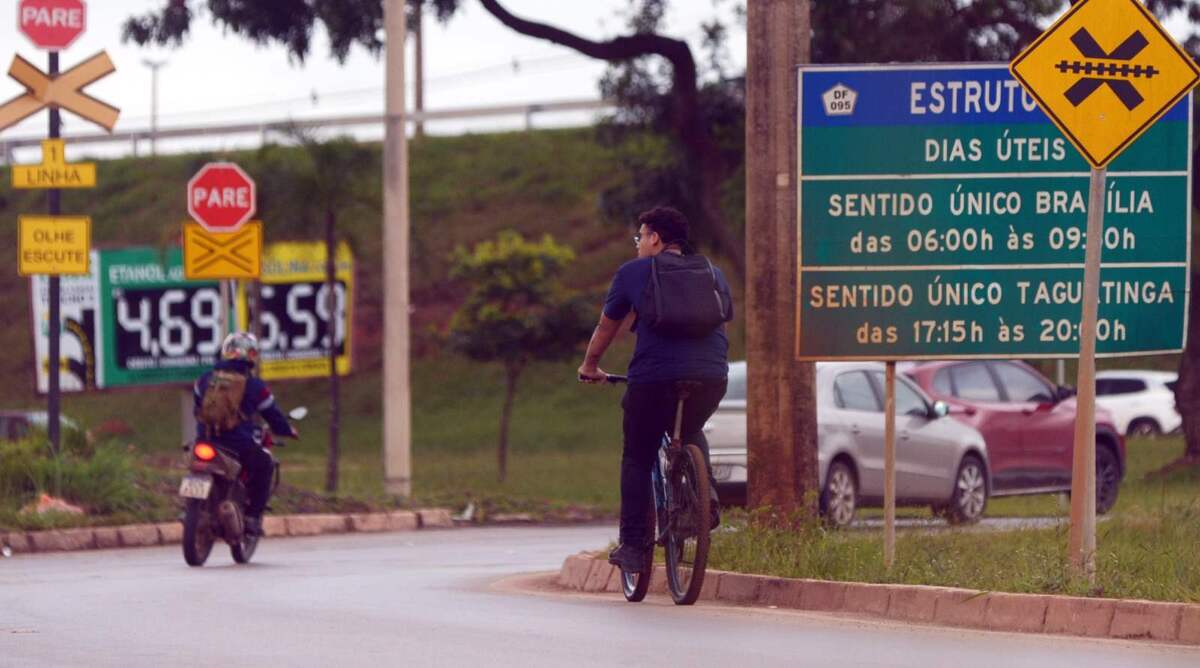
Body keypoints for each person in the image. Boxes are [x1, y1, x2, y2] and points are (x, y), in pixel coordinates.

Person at [578, 206, 733, 573]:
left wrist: (589, 367)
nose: (638, 246)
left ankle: (632, 546)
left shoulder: (632, 273)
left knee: (638, 455)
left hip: (653, 378)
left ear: (655, 238)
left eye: (640, 237)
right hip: (711, 376)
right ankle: (704, 496)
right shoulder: (713, 272)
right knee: (691, 428)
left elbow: (606, 327)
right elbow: (722, 330)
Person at [193, 332, 297, 537]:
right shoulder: (255, 386)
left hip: (204, 441)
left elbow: (198, 410)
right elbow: (272, 415)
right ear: (251, 356)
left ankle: (191, 508)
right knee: (265, 464)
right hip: (237, 446)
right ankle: (252, 518)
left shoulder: (203, 380)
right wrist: (287, 430)